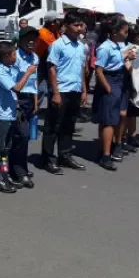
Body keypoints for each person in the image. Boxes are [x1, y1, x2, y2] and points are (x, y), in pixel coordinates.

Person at [0, 42, 38, 193]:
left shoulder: (8, 68)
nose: (16, 57)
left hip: (10, 112)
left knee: (6, 148)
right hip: (1, 113)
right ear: (5, 56)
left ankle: (4, 173)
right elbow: (16, 87)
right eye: (14, 54)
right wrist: (28, 73)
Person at [41, 11, 88, 174]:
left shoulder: (81, 46)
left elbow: (81, 69)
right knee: (53, 126)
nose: (79, 28)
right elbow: (51, 69)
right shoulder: (58, 45)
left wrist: (84, 90)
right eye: (76, 25)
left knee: (69, 125)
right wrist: (55, 93)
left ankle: (65, 155)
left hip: (74, 90)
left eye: (81, 25)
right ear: (66, 26)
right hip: (61, 90)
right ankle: (48, 159)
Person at [92, 19, 136, 170]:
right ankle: (105, 155)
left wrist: (127, 57)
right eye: (125, 31)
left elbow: (118, 61)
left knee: (119, 115)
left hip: (120, 80)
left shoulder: (118, 47)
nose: (127, 34)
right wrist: (108, 88)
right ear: (115, 32)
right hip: (110, 81)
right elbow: (99, 70)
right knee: (108, 120)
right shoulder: (105, 48)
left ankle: (112, 145)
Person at [9, 26, 40, 189]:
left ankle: (20, 167)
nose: (31, 42)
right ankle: (18, 171)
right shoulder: (15, 57)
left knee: (24, 137)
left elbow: (34, 81)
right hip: (17, 99)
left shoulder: (35, 57)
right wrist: (15, 101)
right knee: (21, 135)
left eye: (34, 39)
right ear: (20, 40)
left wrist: (35, 102)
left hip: (29, 99)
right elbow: (12, 82)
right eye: (27, 38)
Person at [35, 12, 63, 107]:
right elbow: (58, 47)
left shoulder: (56, 33)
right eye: (59, 21)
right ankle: (31, 111)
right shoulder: (43, 33)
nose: (61, 23)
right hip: (41, 65)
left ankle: (52, 112)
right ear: (52, 23)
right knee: (40, 90)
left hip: (51, 64)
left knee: (53, 89)